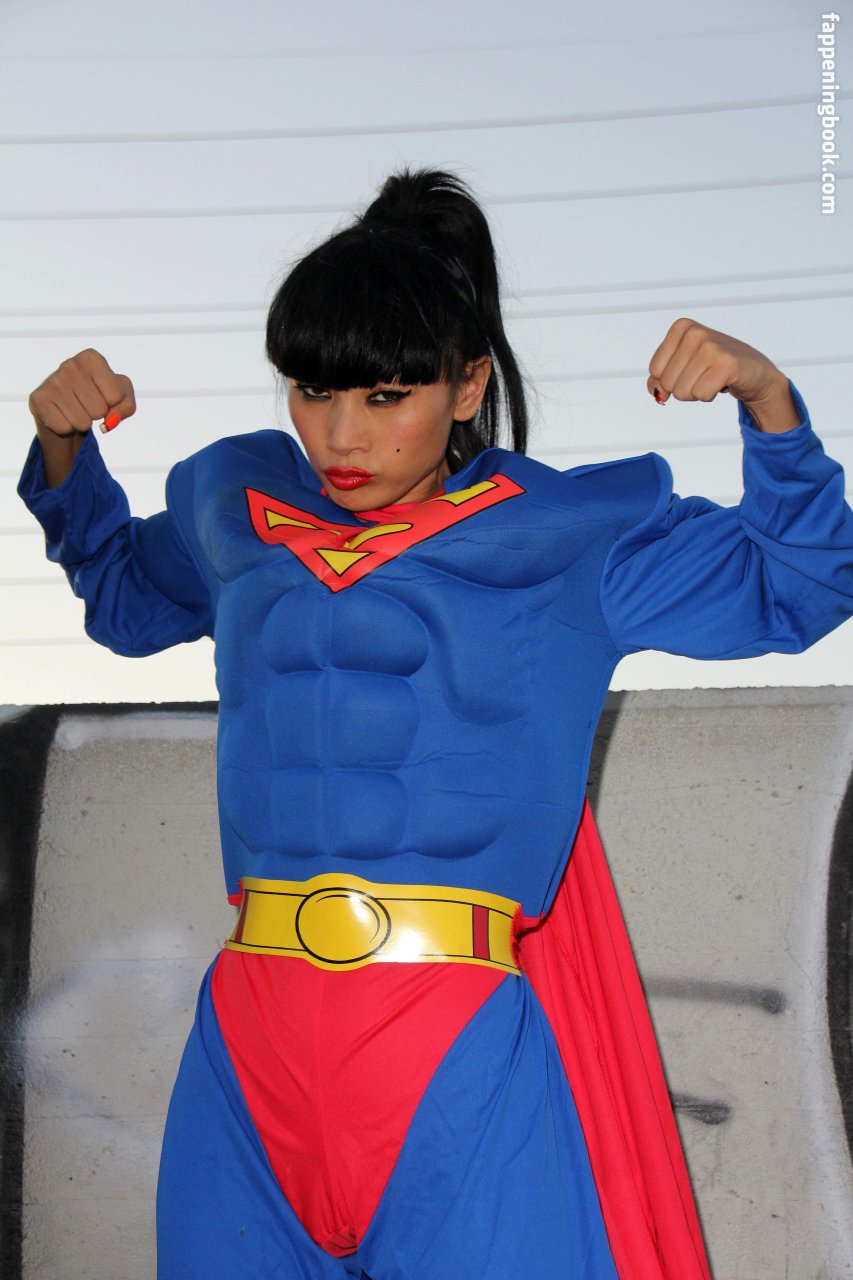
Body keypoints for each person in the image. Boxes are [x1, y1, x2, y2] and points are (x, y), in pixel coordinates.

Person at [19, 167, 853, 1280]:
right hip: (250, 1040)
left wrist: (769, 401)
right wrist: (65, 449)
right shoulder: (239, 512)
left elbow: (803, 582)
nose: (340, 433)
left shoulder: (565, 539)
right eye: (312, 390)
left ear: (466, 386)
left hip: (451, 1040)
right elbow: (124, 598)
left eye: (384, 396)